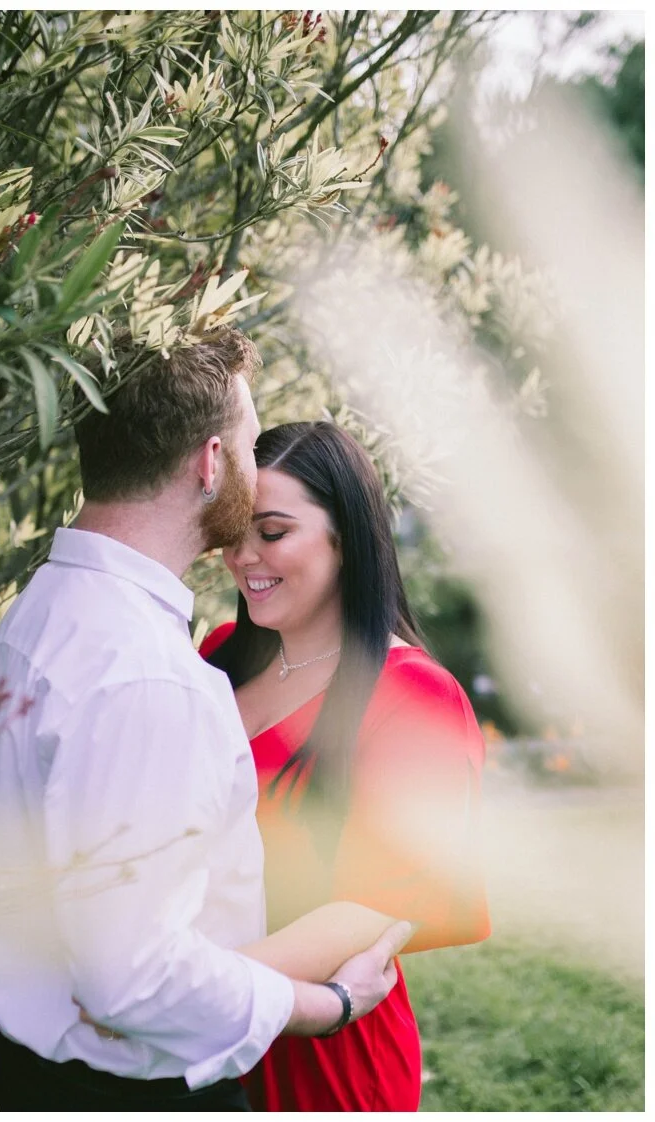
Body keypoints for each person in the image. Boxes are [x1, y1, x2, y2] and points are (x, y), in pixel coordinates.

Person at [0, 327, 415, 1112]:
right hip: (136, 1085)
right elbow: (136, 977)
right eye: (248, 445)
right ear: (211, 463)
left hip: (38, 1068)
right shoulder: (150, 675)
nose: (251, 466)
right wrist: (326, 1005)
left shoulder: (39, 616)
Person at [201, 421, 491, 1111]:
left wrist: (180, 992)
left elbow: (370, 908)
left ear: (347, 535)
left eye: (271, 532)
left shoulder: (416, 697)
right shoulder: (216, 657)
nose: (243, 556)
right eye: (232, 532)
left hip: (323, 1053)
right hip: (193, 1048)